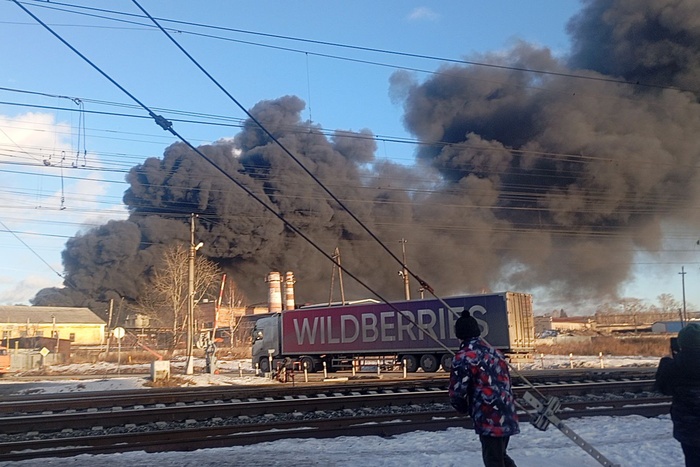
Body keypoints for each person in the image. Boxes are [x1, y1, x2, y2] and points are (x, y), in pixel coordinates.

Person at [449, 311, 520, 467]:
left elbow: (457, 391)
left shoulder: (464, 356)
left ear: (459, 334)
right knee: (500, 455)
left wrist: (462, 407)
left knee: (493, 460)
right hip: (507, 411)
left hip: (488, 415)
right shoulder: (496, 353)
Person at [655, 322, 700, 467]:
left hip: (687, 428)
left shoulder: (672, 366)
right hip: (687, 428)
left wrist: (666, 360)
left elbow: (663, 389)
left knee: (693, 460)